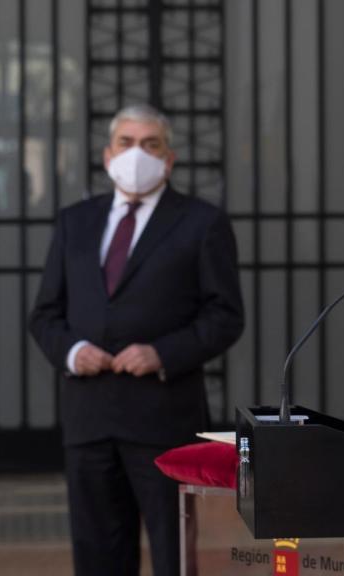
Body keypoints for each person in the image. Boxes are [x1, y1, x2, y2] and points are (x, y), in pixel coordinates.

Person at [29, 104, 244, 576]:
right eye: (126, 143)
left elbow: (226, 316)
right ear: (108, 156)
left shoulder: (201, 222)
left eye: (151, 144)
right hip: (88, 422)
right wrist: (70, 351)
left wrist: (163, 353)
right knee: (97, 554)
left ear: (169, 159)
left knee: (175, 553)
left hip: (162, 420)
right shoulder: (75, 222)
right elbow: (45, 313)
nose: (137, 154)